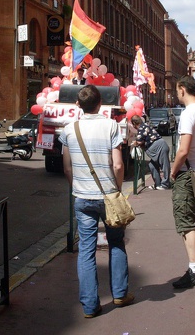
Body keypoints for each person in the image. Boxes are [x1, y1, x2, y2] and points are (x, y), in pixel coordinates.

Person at [59, 85, 134, 318]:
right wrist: (117, 190)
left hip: (82, 197)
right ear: (100, 104)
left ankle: (90, 306)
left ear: (78, 106)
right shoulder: (111, 125)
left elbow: (67, 167)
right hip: (108, 194)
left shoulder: (69, 129)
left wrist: (78, 187)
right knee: (116, 243)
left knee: (86, 251)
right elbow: (118, 164)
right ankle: (120, 294)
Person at [169, 75, 195, 289]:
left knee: (186, 223)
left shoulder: (188, 113)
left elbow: (183, 150)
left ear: (183, 89)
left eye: (178, 90)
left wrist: (173, 170)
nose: (177, 94)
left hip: (187, 173)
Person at [130, 114, 171, 189]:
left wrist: (134, 143)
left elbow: (139, 141)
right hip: (158, 147)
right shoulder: (145, 126)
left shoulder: (141, 128)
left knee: (164, 165)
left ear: (134, 124)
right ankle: (158, 184)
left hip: (159, 147)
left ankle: (165, 184)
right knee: (152, 165)